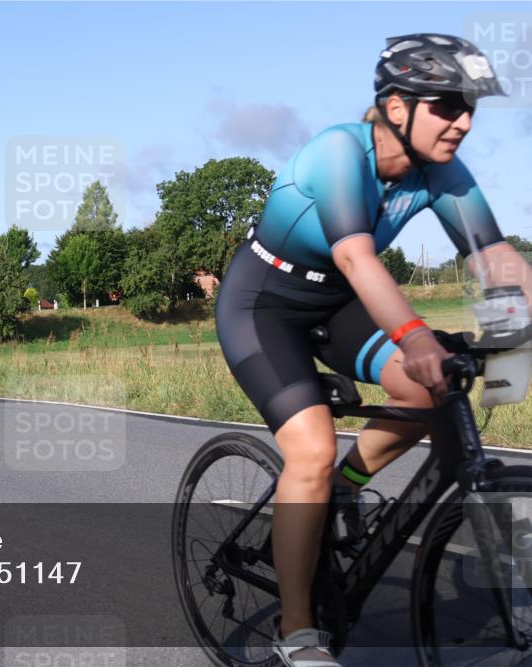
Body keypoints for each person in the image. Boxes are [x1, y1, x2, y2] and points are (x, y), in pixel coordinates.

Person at [215, 34, 532, 667]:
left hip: (336, 302)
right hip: (264, 303)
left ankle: (348, 484)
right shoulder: (339, 153)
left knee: (427, 391)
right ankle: (298, 631)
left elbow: (496, 258)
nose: (463, 121)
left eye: (469, 106)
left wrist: (519, 323)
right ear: (394, 106)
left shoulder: (442, 173)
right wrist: (415, 337)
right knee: (309, 447)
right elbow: (357, 256)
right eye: (446, 104)